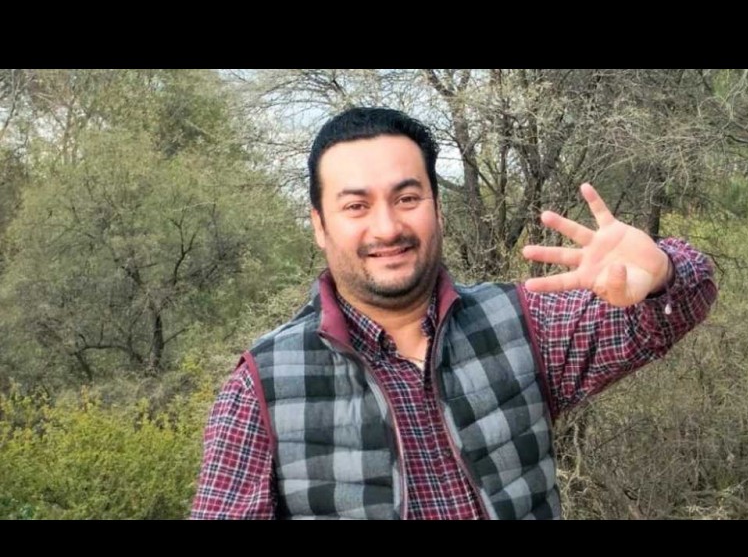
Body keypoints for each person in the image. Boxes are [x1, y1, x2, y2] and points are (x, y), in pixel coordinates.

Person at [190, 107, 717, 520]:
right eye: (356, 206)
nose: (386, 227)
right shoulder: (262, 387)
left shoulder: (518, 323)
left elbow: (676, 309)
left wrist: (661, 272)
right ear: (319, 225)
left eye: (407, 198)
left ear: (438, 208)